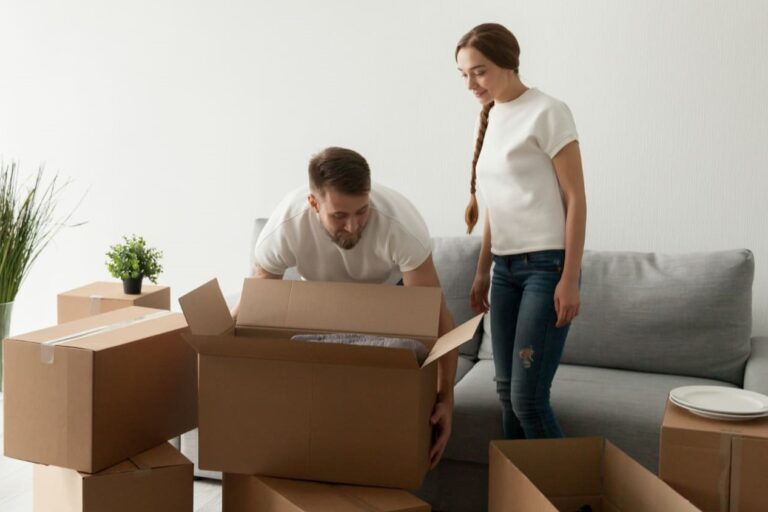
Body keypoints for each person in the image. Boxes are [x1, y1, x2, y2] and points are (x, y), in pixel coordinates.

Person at [232, 146, 457, 467]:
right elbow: (252, 306)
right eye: (339, 215)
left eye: (362, 211)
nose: (353, 226)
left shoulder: (401, 227)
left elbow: (437, 319)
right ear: (313, 203)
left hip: (391, 299)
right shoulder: (285, 228)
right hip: (325, 300)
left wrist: (446, 398)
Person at [455, 23, 587, 439]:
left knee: (528, 400)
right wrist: (481, 272)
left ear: (508, 63)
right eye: (463, 74)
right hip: (505, 270)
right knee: (506, 393)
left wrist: (568, 278)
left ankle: (571, 501)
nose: (471, 83)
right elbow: (497, 204)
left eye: (479, 71)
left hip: (547, 269)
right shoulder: (493, 116)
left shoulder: (549, 111)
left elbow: (576, 199)